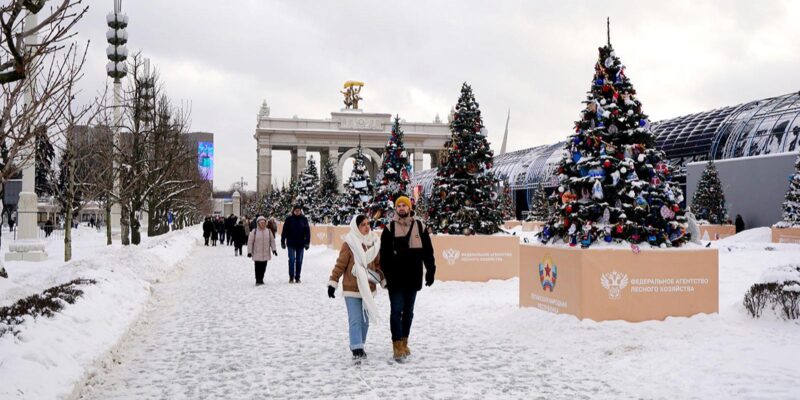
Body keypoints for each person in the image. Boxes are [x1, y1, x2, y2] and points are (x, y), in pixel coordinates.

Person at [379, 196, 436, 361]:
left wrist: (431, 270)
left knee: (409, 312)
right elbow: (384, 256)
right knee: (396, 311)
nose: (402, 208)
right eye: (399, 205)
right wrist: (387, 276)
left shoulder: (420, 226)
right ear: (396, 209)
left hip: (413, 276)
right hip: (395, 278)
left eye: (404, 205)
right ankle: (396, 344)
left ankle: (404, 341)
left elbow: (428, 251)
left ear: (409, 207)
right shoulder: (389, 228)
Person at [328, 215, 385, 360]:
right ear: (356, 227)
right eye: (363, 225)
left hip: (368, 287)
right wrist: (333, 282)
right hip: (351, 288)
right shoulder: (349, 243)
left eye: (368, 224)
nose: (366, 227)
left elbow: (378, 265)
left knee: (365, 321)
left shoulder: (374, 243)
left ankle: (360, 344)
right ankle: (357, 348)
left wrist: (384, 280)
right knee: (355, 319)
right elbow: (340, 264)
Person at [281, 205, 310, 283]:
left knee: (299, 261)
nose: (297, 212)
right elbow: (284, 231)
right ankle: (291, 277)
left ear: (300, 211)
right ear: (293, 211)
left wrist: (307, 242)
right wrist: (282, 242)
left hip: (300, 244)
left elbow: (307, 232)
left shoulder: (304, 219)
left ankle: (297, 277)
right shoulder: (289, 219)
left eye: (299, 210)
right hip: (291, 243)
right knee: (291, 260)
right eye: (296, 210)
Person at [247, 216, 277, 286]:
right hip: (257, 252)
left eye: (264, 223)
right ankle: (258, 280)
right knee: (257, 267)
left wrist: (274, 250)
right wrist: (249, 252)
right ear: (258, 223)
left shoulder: (268, 231)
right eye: (261, 223)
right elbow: (250, 242)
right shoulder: (254, 231)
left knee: (264, 267)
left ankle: (261, 279)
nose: (263, 224)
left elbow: (272, 241)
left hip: (266, 252)